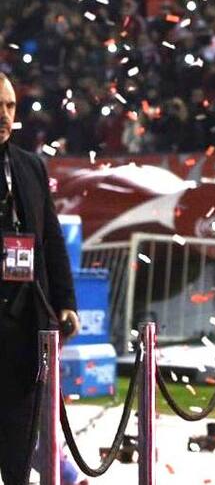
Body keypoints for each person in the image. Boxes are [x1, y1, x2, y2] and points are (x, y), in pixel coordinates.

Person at [0, 72, 79, 485]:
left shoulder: (30, 166)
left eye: (10, 106)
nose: (4, 114)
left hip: (25, 328)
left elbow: (52, 240)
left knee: (19, 447)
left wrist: (66, 302)